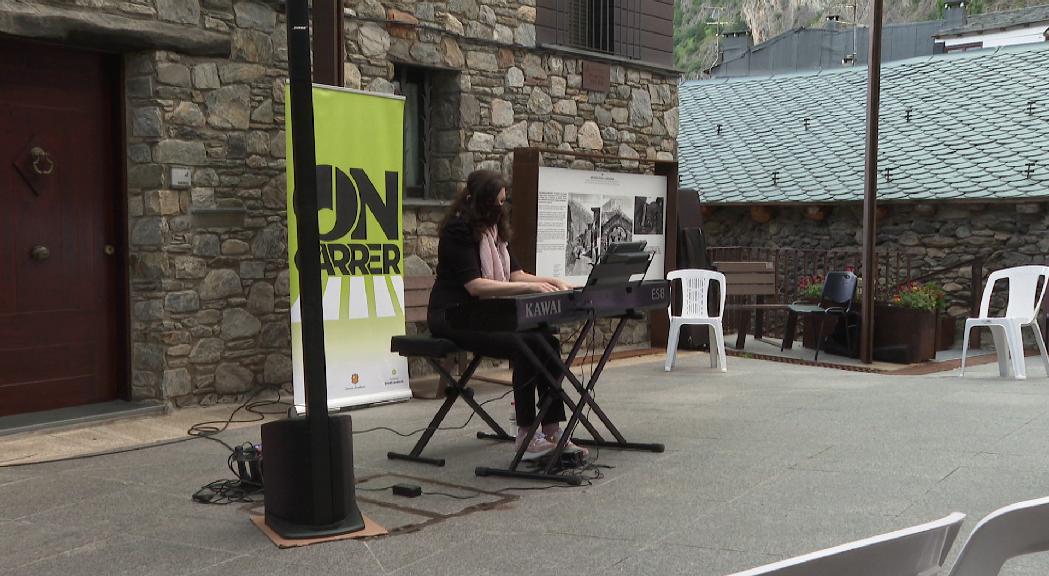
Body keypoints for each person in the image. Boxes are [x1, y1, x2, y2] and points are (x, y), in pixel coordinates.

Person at [427, 170, 587, 460]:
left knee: (546, 341)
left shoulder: (494, 231)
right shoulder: (458, 230)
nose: (503, 208)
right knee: (524, 344)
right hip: (452, 316)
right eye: (498, 202)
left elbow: (516, 273)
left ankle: (551, 429)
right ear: (482, 202)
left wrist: (553, 282)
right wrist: (530, 287)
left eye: (505, 202)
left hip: (483, 314)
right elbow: (475, 286)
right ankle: (526, 434)